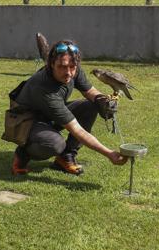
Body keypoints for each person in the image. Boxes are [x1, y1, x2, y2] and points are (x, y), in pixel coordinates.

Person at [11, 39, 128, 175]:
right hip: (26, 121)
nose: (68, 72)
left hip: (48, 114)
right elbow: (77, 130)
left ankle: (65, 157)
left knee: (90, 106)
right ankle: (23, 153)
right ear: (51, 64)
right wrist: (109, 153)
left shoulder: (73, 69)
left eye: (72, 66)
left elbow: (90, 91)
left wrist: (102, 100)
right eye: (62, 66)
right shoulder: (44, 88)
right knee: (54, 144)